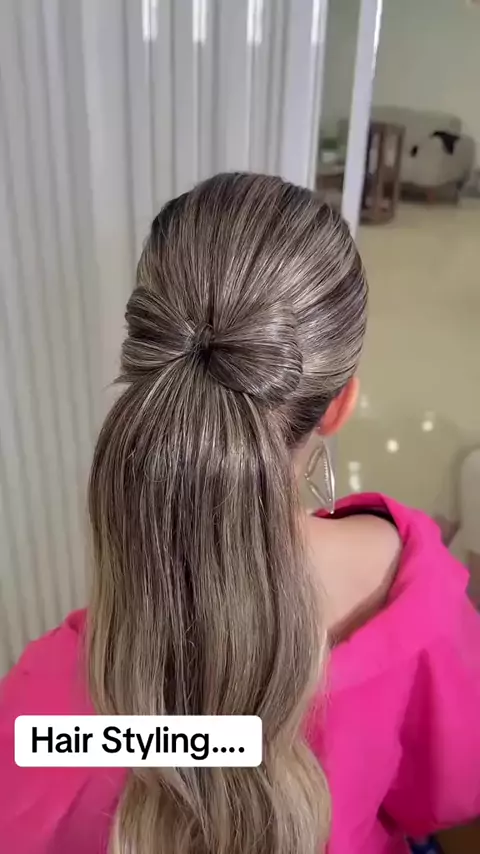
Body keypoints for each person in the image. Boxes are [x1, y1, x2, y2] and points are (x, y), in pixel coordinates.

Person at [0, 173, 479, 854]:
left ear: (144, 367)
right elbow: (448, 790)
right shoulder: (411, 589)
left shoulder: (46, 709)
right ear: (340, 405)